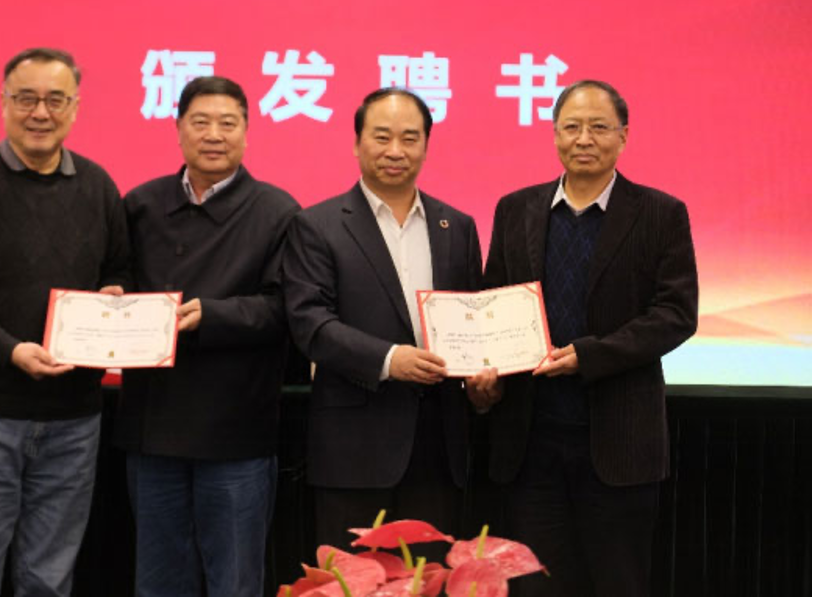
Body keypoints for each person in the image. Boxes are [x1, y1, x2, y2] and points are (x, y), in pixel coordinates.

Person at [468, 80, 698, 597]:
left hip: (618, 444)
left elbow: (675, 315)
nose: (584, 139)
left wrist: (588, 356)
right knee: (535, 586)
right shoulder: (516, 209)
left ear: (623, 136)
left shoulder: (660, 213)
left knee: (618, 583)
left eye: (598, 127)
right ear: (555, 135)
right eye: (571, 127)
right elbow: (491, 303)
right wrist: (482, 372)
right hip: (529, 444)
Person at [0, 47, 129, 596]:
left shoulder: (98, 186)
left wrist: (115, 299)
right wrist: (11, 349)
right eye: (26, 99)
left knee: (49, 579)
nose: (40, 112)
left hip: (73, 418)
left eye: (55, 100)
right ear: (3, 102)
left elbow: (119, 271)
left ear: (76, 107)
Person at [119, 76, 300, 597]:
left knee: (235, 583)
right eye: (200, 122)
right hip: (152, 426)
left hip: (236, 433)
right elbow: (117, 282)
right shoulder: (141, 204)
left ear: (247, 131)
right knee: (159, 582)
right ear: (178, 129)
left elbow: (285, 309)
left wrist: (213, 316)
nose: (214, 135)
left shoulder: (277, 211)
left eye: (228, 123)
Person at [282, 87, 484, 551]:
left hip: (438, 450)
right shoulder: (317, 225)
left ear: (426, 146)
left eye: (410, 138)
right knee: (352, 579)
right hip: (353, 451)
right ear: (357, 143)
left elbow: (473, 320)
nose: (396, 150)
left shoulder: (458, 226)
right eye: (382, 136)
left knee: (431, 577)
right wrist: (390, 360)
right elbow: (310, 324)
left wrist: (483, 378)